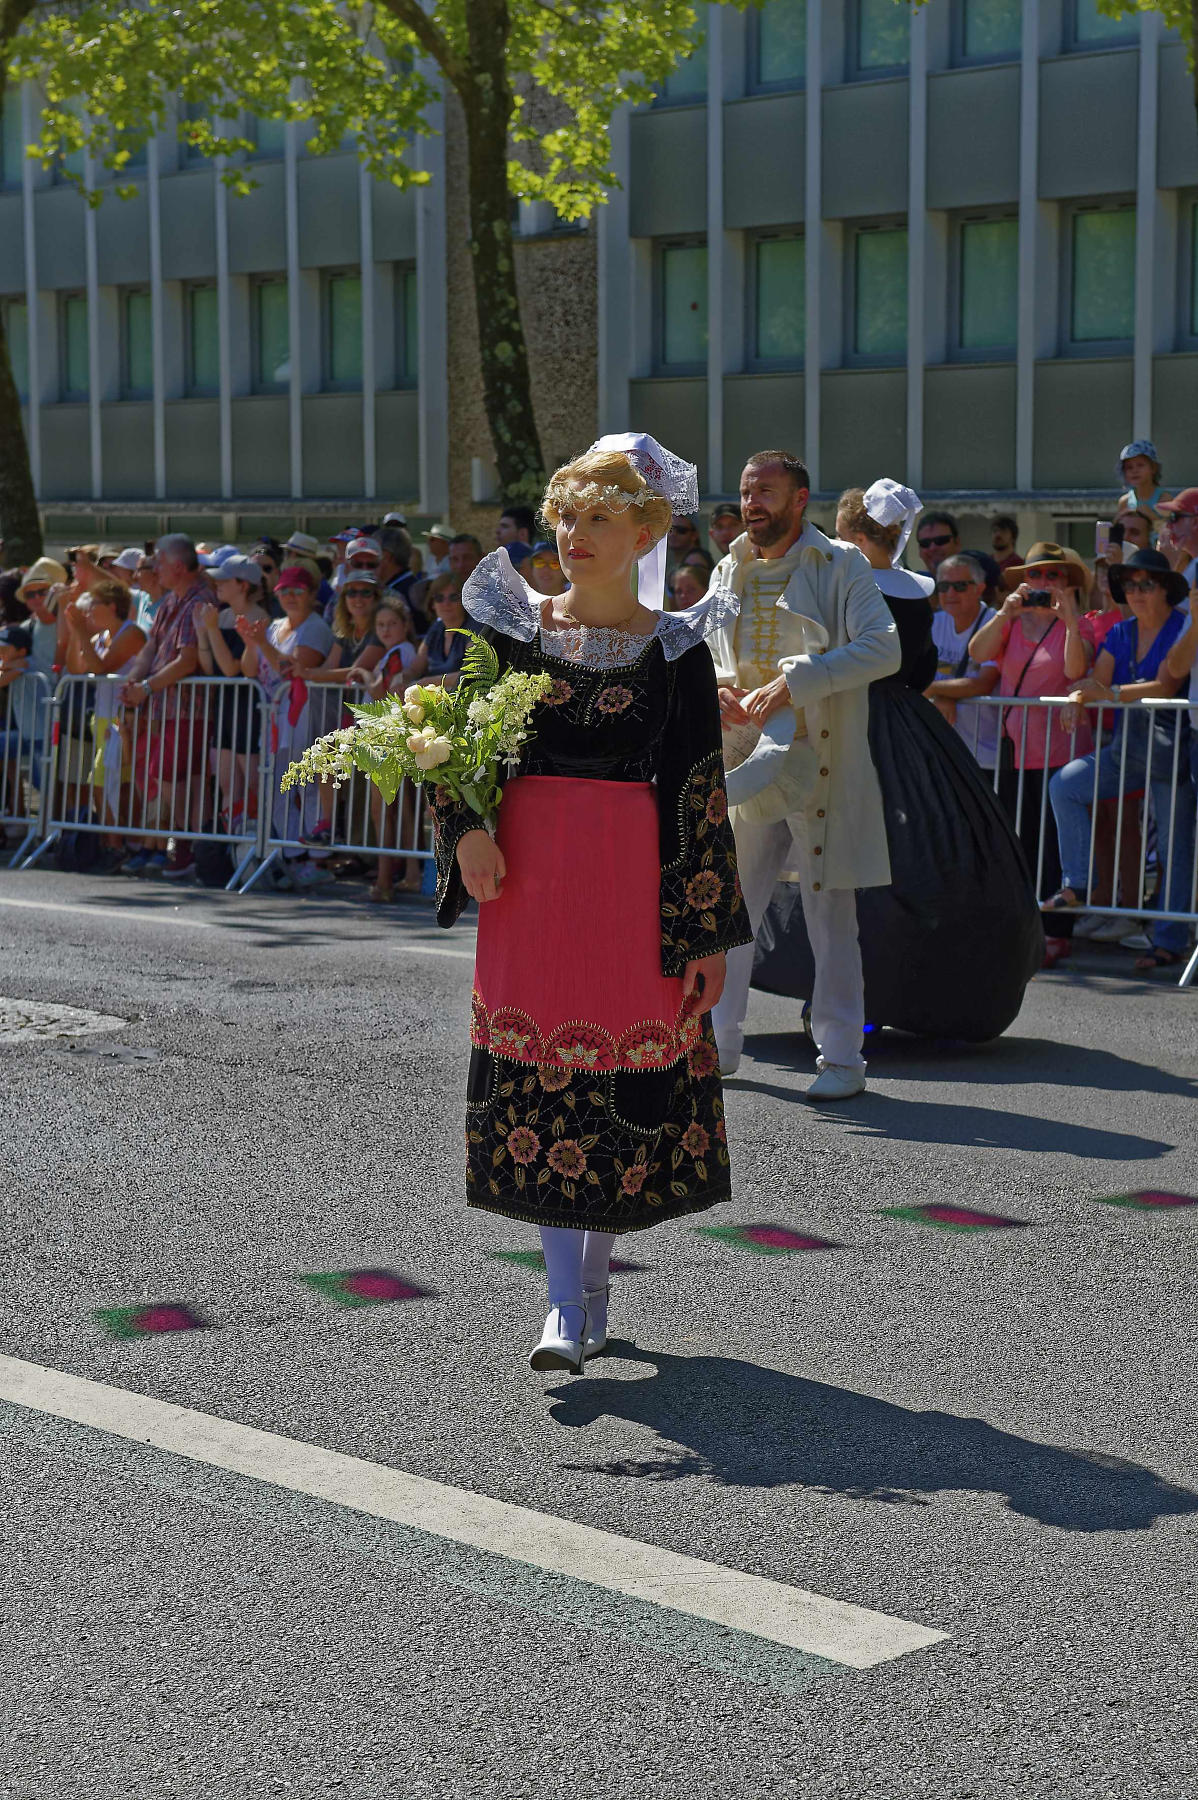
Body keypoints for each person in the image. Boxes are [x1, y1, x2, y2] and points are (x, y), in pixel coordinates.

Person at [432, 433, 750, 1375]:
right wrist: (470, 831)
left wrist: (705, 932)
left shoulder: (678, 648)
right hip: (528, 879)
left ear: (646, 528)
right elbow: (452, 743)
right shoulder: (508, 626)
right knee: (537, 1073)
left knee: (617, 1082)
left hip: (629, 880)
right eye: (566, 514)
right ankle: (562, 1306)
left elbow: (699, 787)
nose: (573, 532)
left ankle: (591, 1295)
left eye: (599, 517)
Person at [754, 481, 1042, 1037]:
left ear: (856, 536)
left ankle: (840, 1001)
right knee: (898, 856)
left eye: (840, 537)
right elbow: (924, 669)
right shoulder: (915, 591)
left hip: (850, 720)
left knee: (830, 856)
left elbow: (824, 654)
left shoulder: (846, 581)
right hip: (913, 728)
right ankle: (863, 1001)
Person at [705, 451, 901, 1100]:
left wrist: (799, 681)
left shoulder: (841, 564)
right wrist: (722, 690)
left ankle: (842, 1059)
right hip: (745, 761)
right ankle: (717, 1045)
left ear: (800, 499)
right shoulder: (727, 566)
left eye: (766, 490)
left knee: (829, 914)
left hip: (818, 763)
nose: (752, 501)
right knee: (733, 910)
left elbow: (883, 647)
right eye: (745, 490)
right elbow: (704, 648)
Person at [1049, 549, 1193, 973]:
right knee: (1066, 785)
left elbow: (1166, 686)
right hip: (1128, 747)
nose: (1135, 592)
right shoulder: (1121, 631)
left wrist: (1105, 696)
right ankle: (1079, 883)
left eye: (1145, 584)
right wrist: (1079, 695)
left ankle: (1169, 940)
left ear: (1166, 588)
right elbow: (1098, 679)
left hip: (1173, 749)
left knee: (1173, 848)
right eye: (1129, 585)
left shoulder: (1184, 626)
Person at [969, 562, 1094, 964]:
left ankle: (1057, 933)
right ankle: (1023, 928)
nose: (1045, 584)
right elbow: (977, 654)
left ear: (1070, 585)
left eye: (1055, 577)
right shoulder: (1010, 621)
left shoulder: (1080, 625)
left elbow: (1076, 669)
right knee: (1019, 844)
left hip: (1061, 751)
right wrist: (1005, 613)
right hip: (1016, 752)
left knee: (1054, 849)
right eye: (1038, 576)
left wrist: (1069, 618)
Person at [117, 534, 208, 880]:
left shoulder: (199, 601)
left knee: (174, 777)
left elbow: (187, 661)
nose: (154, 569)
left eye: (160, 564)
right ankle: (175, 846)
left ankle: (185, 846)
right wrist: (134, 680)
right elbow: (152, 646)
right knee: (156, 775)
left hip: (186, 709)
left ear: (179, 567)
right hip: (159, 707)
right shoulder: (171, 600)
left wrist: (144, 687)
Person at [239, 563, 336, 889]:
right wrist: (252, 643)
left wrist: (262, 643)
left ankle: (315, 858)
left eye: (298, 591)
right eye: (285, 591)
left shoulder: (314, 627)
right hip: (275, 717)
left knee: (305, 787)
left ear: (310, 595)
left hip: (303, 714)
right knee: (276, 789)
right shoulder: (275, 625)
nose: (291, 597)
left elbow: (294, 669)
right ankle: (293, 854)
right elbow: (250, 670)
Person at [194, 555, 270, 838]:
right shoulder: (222, 616)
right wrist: (203, 633)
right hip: (226, 707)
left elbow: (230, 669)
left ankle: (253, 842)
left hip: (248, 709)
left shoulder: (259, 619)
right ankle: (229, 843)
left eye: (224, 580)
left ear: (243, 585)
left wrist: (211, 629)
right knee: (227, 784)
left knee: (251, 783)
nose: (217, 585)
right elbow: (209, 668)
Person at [925, 554, 1000, 769]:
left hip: (986, 754)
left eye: (960, 586)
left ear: (979, 588)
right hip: (942, 751)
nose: (950, 593)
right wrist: (941, 693)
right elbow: (912, 677)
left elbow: (983, 683)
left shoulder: (995, 623)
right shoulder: (933, 624)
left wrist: (935, 690)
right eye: (944, 586)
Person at [403, 575, 470, 689]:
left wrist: (427, 682)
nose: (446, 603)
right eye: (439, 598)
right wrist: (401, 679)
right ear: (432, 604)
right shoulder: (436, 629)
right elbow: (415, 669)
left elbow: (471, 674)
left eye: (453, 597)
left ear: (464, 600)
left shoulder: (475, 629)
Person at [1116, 439, 1171, 524]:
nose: (1134, 471)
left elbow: (1170, 531)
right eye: (1129, 467)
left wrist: (1152, 517)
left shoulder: (1164, 499)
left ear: (1153, 468)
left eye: (1140, 465)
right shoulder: (1125, 502)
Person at [1157, 488, 1198, 589]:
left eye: (1174, 517)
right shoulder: (1190, 563)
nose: (1168, 525)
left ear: (1195, 522)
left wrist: (1166, 566)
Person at [915, 511, 960, 577]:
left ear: (957, 542)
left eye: (941, 540)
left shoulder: (976, 580)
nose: (932, 548)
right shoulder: (913, 585)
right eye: (925, 543)